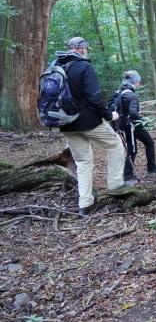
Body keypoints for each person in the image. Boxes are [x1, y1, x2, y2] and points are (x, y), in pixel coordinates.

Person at [55, 37, 126, 215]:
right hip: (89, 122)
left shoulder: (56, 67)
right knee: (116, 145)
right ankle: (116, 188)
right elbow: (95, 97)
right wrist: (110, 115)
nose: (87, 51)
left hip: (66, 124)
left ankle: (85, 204)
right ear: (81, 49)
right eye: (86, 48)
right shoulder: (84, 67)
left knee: (83, 162)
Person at [115, 70, 156, 181]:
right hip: (130, 125)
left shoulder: (120, 92)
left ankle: (152, 167)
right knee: (132, 149)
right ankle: (127, 175)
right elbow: (132, 113)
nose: (139, 84)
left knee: (149, 142)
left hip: (127, 124)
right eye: (138, 82)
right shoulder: (131, 95)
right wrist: (143, 119)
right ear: (135, 81)